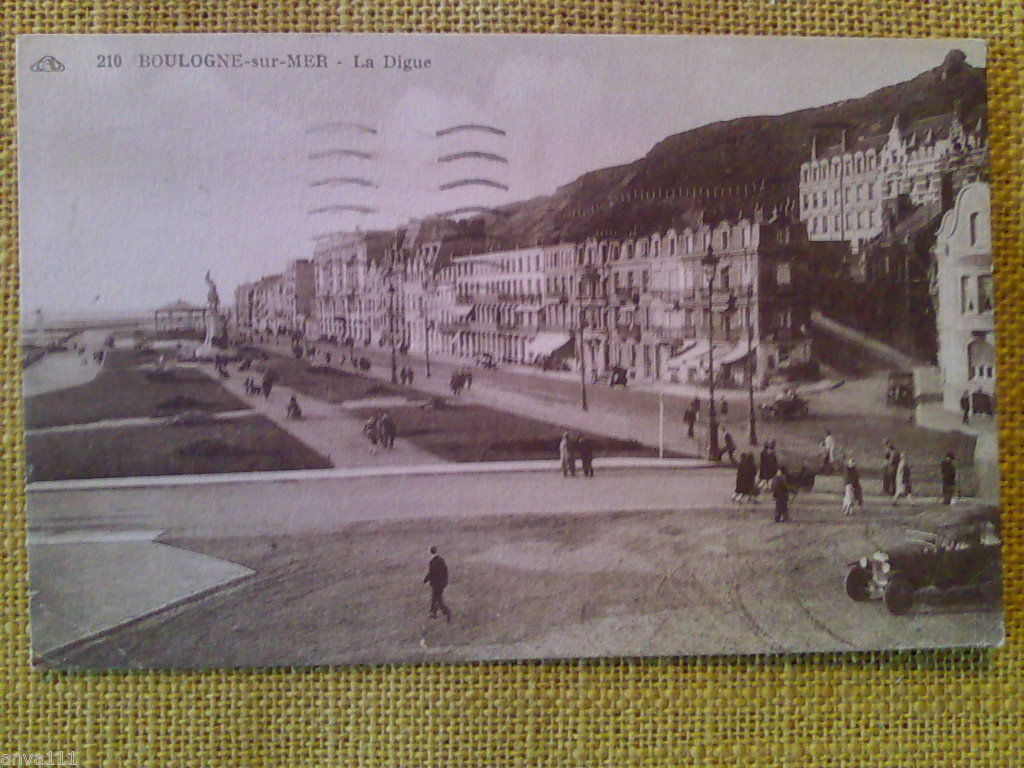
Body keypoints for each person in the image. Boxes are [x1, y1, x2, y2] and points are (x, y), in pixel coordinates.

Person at [423, 546, 452, 622]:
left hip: (437, 584)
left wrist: (425, 580)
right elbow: (444, 571)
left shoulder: (433, 561)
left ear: (430, 552)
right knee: (436, 598)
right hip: (441, 583)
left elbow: (432, 573)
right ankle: (434, 612)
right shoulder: (440, 560)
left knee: (437, 599)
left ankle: (446, 613)